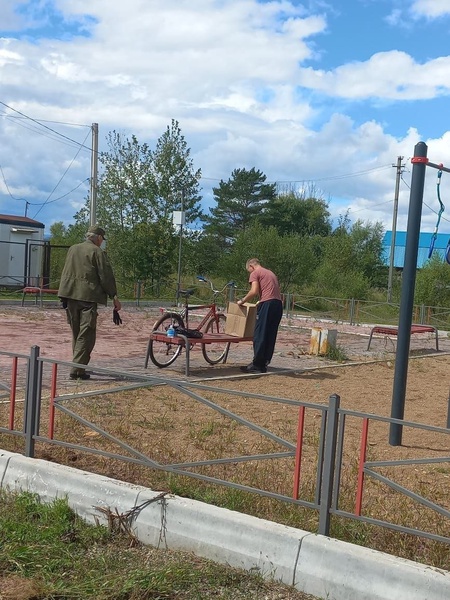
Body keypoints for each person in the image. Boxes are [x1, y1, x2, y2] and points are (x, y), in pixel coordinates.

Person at [58, 225, 121, 380]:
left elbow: (66, 271)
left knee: (76, 333)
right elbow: (105, 276)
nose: (102, 242)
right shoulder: (97, 252)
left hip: (70, 295)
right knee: (86, 335)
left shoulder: (73, 248)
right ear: (98, 238)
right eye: (102, 240)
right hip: (88, 297)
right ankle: (76, 369)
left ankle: (80, 368)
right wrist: (114, 295)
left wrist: (63, 294)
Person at [237, 258, 283, 373]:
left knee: (260, 333)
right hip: (277, 304)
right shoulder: (270, 273)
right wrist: (261, 301)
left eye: (249, 270)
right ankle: (264, 363)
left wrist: (242, 301)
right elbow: (272, 291)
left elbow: (254, 291)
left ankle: (257, 364)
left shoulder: (255, 273)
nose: (250, 273)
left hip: (268, 304)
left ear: (251, 266)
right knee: (270, 334)